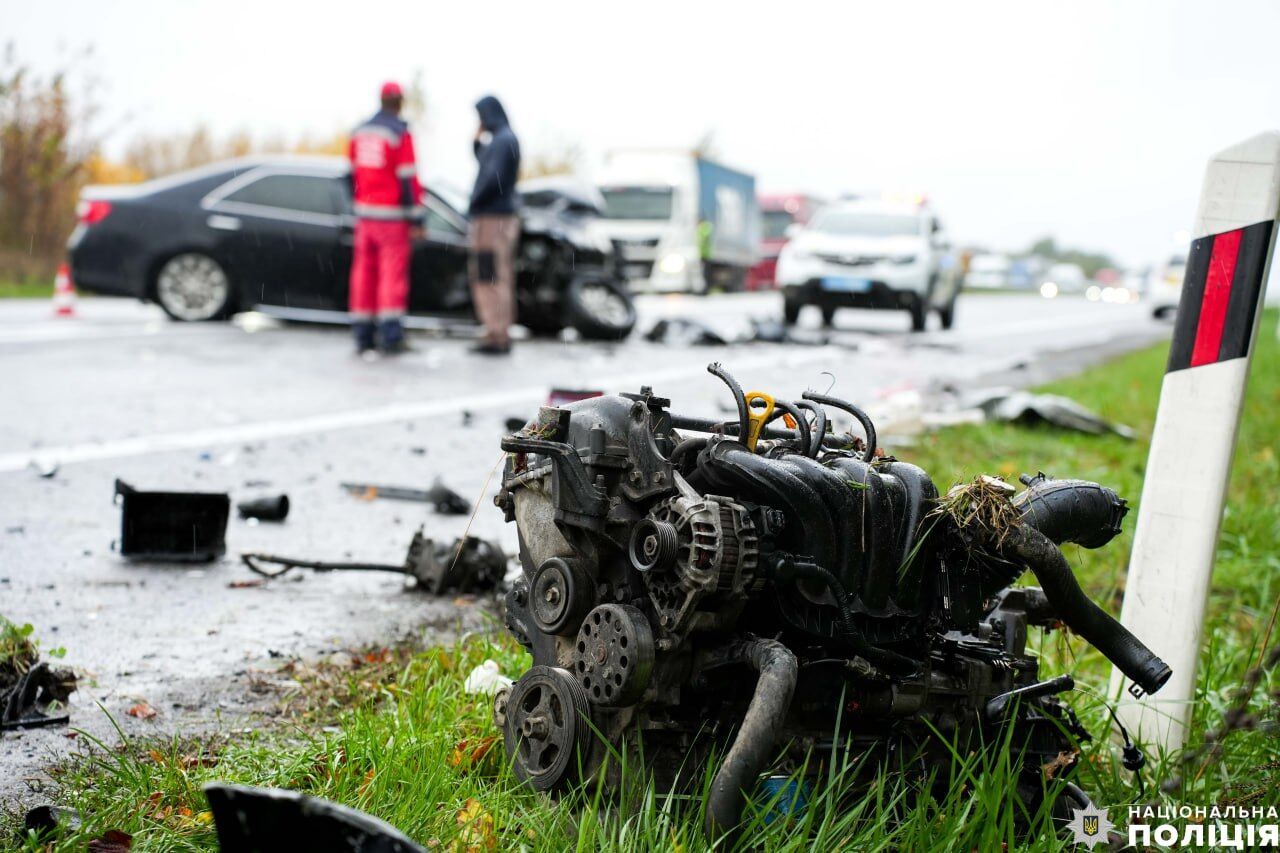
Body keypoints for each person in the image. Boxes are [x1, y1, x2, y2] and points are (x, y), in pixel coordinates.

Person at [347, 81, 424, 356]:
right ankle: (391, 336)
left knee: (363, 275)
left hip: (364, 217)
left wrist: (358, 203)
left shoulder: (360, 131)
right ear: (400, 102)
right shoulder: (399, 133)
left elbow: (350, 174)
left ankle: (362, 335)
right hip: (391, 218)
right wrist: (417, 220)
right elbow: (407, 179)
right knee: (391, 276)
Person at [468, 95, 521, 355]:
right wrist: (476, 141)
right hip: (498, 217)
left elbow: (492, 178)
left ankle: (496, 334)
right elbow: (486, 163)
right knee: (495, 274)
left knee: (489, 275)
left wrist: (473, 204)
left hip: (492, 220)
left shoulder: (503, 140)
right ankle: (498, 332)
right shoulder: (503, 139)